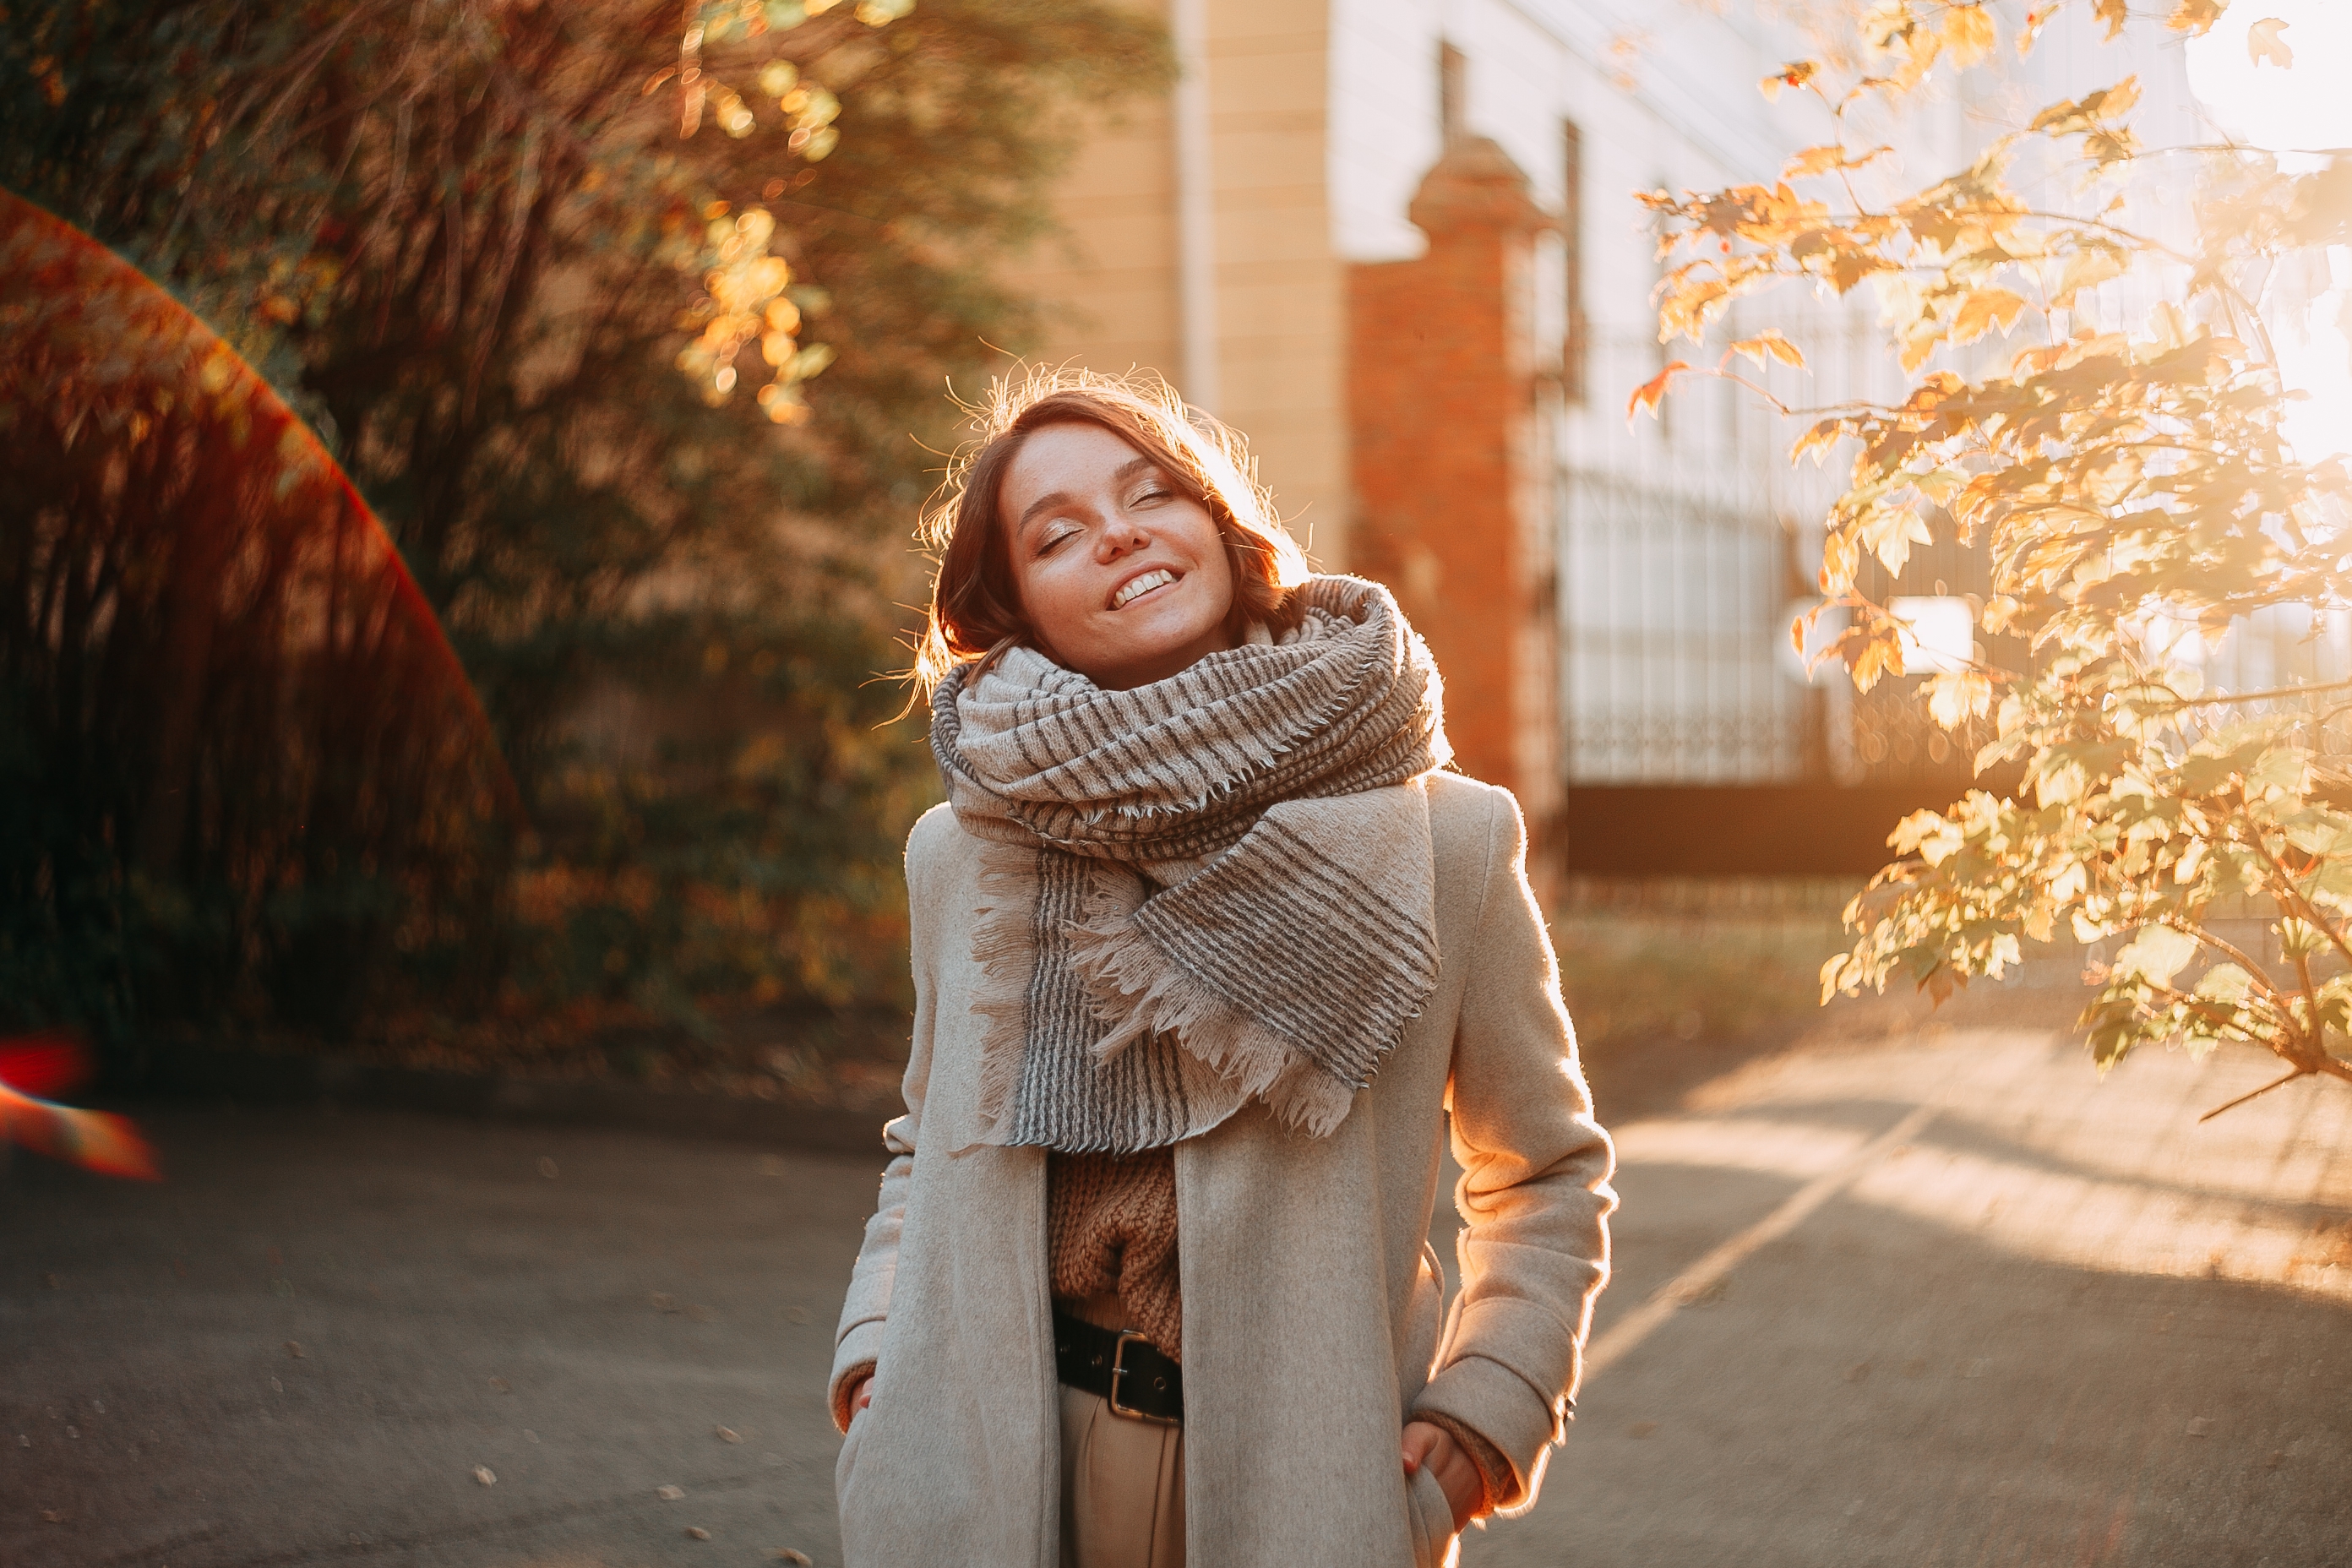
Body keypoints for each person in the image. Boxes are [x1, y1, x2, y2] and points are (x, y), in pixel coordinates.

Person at [829, 368, 1614, 1568]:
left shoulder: (1443, 841)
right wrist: (881, 1347)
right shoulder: (965, 852)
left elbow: (1544, 1170)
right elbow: (925, 1137)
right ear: (1019, 608)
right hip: (1000, 1480)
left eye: (1153, 494)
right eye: (1059, 533)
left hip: (1307, 1490)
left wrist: (1491, 1402)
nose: (1121, 532)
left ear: (1217, 524)